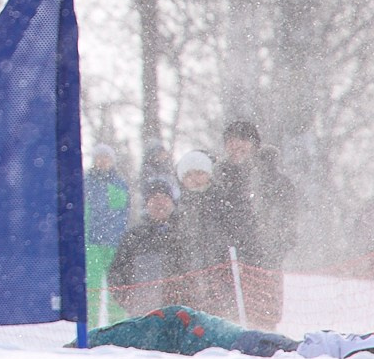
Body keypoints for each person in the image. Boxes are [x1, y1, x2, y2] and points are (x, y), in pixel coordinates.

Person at [216, 119, 294, 330]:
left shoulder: (275, 180)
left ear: (254, 144)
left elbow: (288, 223)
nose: (236, 145)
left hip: (263, 263)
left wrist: (273, 249)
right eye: (231, 140)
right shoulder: (218, 178)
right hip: (227, 265)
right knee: (227, 322)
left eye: (243, 140)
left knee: (263, 323)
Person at [175, 148, 252, 320]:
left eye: (199, 173)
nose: (194, 179)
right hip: (191, 271)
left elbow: (237, 232)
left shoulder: (222, 200)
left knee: (226, 314)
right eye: (189, 175)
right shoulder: (180, 207)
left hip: (222, 267)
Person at [106, 173, 182, 321]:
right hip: (143, 316)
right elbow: (116, 273)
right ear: (147, 204)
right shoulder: (134, 236)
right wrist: (127, 299)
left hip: (181, 315)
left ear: (172, 203)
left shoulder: (184, 233)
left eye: (164, 198)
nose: (160, 203)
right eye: (154, 199)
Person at [85, 143, 131, 324]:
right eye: (99, 157)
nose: (103, 161)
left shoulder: (119, 184)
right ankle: (90, 327)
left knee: (116, 288)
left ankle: (117, 326)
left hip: (115, 243)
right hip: (92, 242)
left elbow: (123, 213)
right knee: (92, 288)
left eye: (106, 157)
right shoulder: (87, 183)